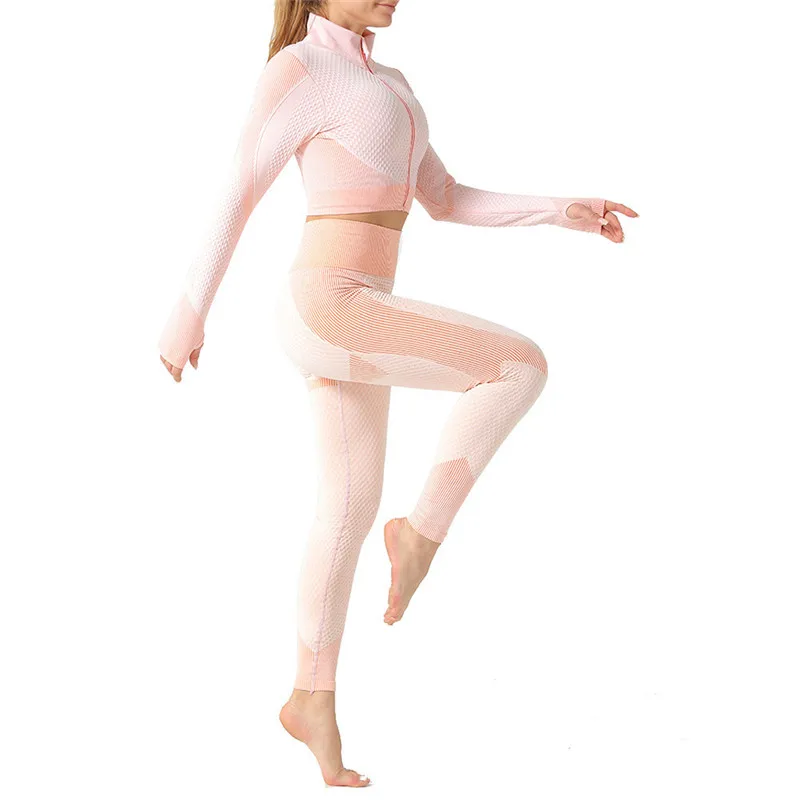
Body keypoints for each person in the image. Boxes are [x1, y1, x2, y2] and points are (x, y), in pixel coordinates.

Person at [158, 0, 637, 787]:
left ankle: (310, 698)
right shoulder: (301, 70)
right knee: (517, 365)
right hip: (331, 304)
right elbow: (239, 187)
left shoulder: (392, 82)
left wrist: (563, 213)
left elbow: (446, 199)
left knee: (346, 507)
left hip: (358, 310)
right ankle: (418, 534)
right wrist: (189, 309)